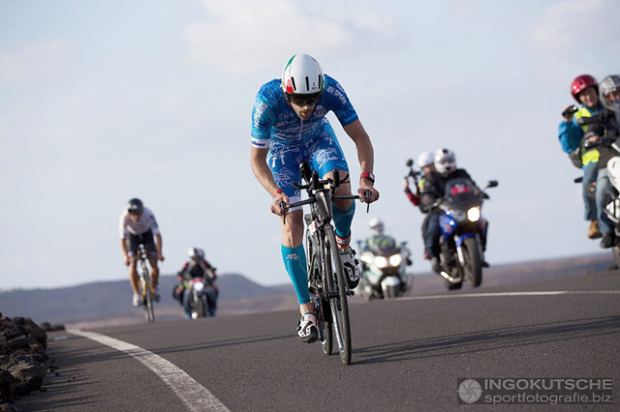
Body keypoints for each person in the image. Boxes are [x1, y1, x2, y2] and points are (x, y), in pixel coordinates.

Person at [250, 54, 380, 343]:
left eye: (312, 99)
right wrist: (276, 194)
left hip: (318, 140)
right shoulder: (266, 101)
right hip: (283, 151)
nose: (307, 106)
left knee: (340, 188)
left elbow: (361, 138)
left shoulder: (332, 89)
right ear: (287, 92)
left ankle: (343, 247)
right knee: (291, 222)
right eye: (299, 100)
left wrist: (366, 179)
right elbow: (257, 160)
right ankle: (306, 311)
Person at [419, 149, 489, 274]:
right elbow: (426, 194)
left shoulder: (461, 173)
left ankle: (480, 252)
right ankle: (434, 257)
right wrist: (429, 201)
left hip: (463, 207)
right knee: (432, 230)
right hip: (441, 210)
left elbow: (472, 186)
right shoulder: (431, 177)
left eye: (449, 161)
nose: (447, 164)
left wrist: (480, 193)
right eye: (444, 162)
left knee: (483, 222)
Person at [558, 74, 605, 239]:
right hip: (593, 160)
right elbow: (568, 145)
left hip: (615, 154)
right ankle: (594, 220)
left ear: (597, 91)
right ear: (578, 99)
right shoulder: (579, 116)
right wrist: (567, 121)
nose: (588, 97)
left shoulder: (610, 107)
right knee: (588, 184)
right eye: (583, 95)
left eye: (590, 92)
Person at [119, 198, 164, 306]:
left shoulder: (148, 214)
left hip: (147, 235)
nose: (136, 217)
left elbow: (158, 235)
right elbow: (123, 239)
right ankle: (136, 293)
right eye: (133, 214)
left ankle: (155, 286)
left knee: (154, 262)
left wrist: (159, 253)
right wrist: (126, 256)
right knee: (133, 264)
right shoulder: (124, 217)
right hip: (133, 237)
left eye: (138, 214)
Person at [403, 150, 435, 260]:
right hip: (435, 210)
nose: (429, 169)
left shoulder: (446, 176)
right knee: (426, 227)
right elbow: (417, 201)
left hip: (453, 207)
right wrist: (407, 189)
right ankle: (429, 252)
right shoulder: (423, 182)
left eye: (431, 165)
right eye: (426, 167)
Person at [173, 247, 218, 319]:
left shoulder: (204, 263)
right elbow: (181, 274)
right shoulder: (188, 264)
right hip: (190, 285)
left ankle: (212, 310)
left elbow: (212, 272)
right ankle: (188, 313)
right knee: (186, 294)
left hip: (204, 284)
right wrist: (184, 282)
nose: (197, 259)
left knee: (212, 291)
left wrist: (211, 278)